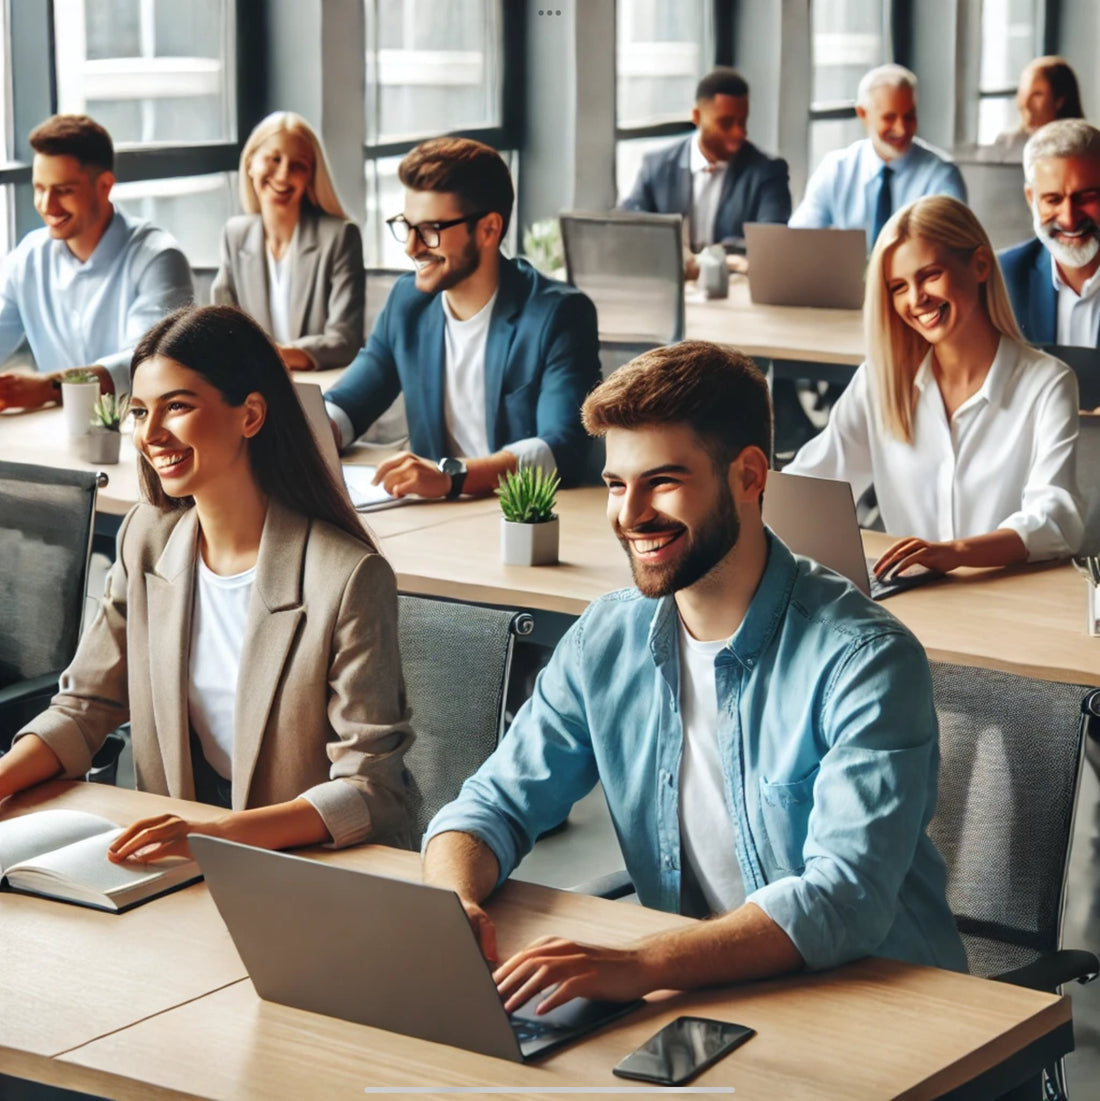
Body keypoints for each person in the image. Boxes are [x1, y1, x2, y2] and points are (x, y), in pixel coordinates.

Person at [422, 340, 966, 1013]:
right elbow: (490, 807)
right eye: (619, 483)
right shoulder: (606, 639)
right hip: (707, 1002)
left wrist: (643, 962)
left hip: (883, 1010)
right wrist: (455, 903)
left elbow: (843, 894)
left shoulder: (865, 660)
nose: (629, 514)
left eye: (663, 480)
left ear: (748, 476)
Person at [0, 305, 415, 860]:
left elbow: (371, 790)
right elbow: (86, 704)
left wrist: (212, 838)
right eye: (140, 410)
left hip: (308, 865)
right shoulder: (146, 537)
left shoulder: (345, 577)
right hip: (178, 861)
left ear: (251, 415)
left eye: (177, 407)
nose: (150, 434)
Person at [787, 195, 1082, 576]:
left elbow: (1057, 522)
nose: (916, 298)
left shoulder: (1047, 384)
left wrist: (955, 552)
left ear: (979, 265)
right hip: (906, 599)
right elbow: (811, 482)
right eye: (898, 287)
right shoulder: (881, 381)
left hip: (1006, 599)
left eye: (930, 275)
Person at [323, 137, 600, 498]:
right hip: (434, 519)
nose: (411, 247)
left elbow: (561, 448)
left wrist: (452, 476)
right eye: (407, 226)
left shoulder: (558, 314)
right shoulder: (408, 303)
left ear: (489, 229)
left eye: (430, 231)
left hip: (518, 519)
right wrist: (315, 433)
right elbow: (349, 403)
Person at [0, 114, 193, 412]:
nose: (47, 205)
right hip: (50, 429)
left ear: (104, 185)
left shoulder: (158, 257)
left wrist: (49, 387)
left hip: (139, 433)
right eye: (39, 188)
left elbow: (145, 363)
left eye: (63, 190)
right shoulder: (28, 257)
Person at [212, 111, 364, 371]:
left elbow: (345, 340)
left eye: (298, 166)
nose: (283, 176)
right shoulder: (234, 235)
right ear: (250, 163)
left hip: (315, 387)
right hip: (250, 386)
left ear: (310, 177)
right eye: (274, 159)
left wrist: (275, 356)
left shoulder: (340, 237)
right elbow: (220, 329)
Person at [790, 65, 967, 251]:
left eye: (909, 116)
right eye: (889, 118)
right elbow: (797, 240)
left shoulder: (942, 176)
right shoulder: (836, 170)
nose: (901, 129)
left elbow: (951, 252)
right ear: (862, 114)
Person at [619, 67, 790, 257]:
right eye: (726, 123)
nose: (739, 133)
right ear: (697, 117)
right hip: (669, 282)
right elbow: (628, 226)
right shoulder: (657, 167)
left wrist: (708, 260)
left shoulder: (768, 172)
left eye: (742, 122)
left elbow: (772, 244)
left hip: (734, 283)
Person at [999, 119, 1100, 346]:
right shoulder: (1001, 278)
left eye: (1085, 198)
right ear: (1030, 199)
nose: (1069, 219)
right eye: (1053, 200)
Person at [993, 56, 1084, 159]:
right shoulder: (1006, 146)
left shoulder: (1084, 150)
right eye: (1022, 93)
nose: (1025, 104)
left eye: (1037, 95)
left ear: (1060, 100)